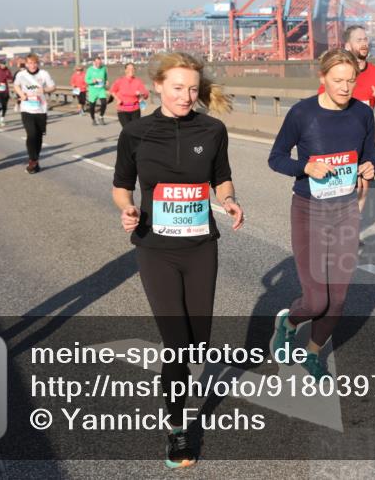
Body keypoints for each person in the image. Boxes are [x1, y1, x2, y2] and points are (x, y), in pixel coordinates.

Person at [111, 52, 243, 469]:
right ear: (158, 86)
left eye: (192, 89)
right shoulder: (136, 133)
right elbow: (120, 185)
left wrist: (228, 199)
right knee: (176, 345)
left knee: (198, 344)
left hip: (201, 246)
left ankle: (183, 382)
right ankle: (176, 429)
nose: (186, 96)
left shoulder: (213, 128)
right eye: (177, 88)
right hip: (155, 248)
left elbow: (221, 175)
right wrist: (127, 209)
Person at [268, 49, 375, 381]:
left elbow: (369, 155)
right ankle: (287, 324)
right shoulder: (303, 114)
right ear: (322, 78)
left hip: (345, 210)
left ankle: (313, 353)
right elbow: (275, 158)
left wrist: (371, 167)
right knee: (316, 301)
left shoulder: (362, 113)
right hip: (309, 210)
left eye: (350, 81)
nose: (345, 88)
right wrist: (306, 166)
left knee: (338, 300)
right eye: (338, 81)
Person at [317, 25, 375, 212]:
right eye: (359, 40)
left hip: (363, 139)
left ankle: (351, 232)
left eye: (366, 39)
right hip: (335, 138)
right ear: (348, 45)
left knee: (363, 185)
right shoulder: (338, 72)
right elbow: (321, 101)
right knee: (338, 188)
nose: (364, 43)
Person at [13, 54, 56, 174]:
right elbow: (16, 85)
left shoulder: (44, 74)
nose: (32, 65)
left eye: (34, 63)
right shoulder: (21, 75)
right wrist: (21, 95)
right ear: (26, 64)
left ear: (37, 63)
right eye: (30, 63)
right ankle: (32, 160)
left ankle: (35, 161)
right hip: (27, 108)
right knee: (31, 134)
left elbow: (53, 87)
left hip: (41, 109)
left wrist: (45, 90)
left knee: (38, 136)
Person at [111, 62, 150, 126]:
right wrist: (117, 99)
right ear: (125, 70)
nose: (131, 71)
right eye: (129, 69)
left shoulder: (138, 81)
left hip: (135, 110)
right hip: (122, 109)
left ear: (134, 70)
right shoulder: (120, 81)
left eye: (132, 69)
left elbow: (146, 94)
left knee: (135, 130)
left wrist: (142, 95)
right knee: (127, 130)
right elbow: (112, 91)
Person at [85, 55, 109, 125]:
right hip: (93, 90)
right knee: (92, 106)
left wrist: (106, 81)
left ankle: (101, 117)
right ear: (94, 62)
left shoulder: (103, 68)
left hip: (101, 89)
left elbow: (105, 77)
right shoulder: (90, 69)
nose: (98, 64)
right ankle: (93, 119)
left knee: (104, 103)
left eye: (99, 63)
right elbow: (86, 80)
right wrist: (92, 81)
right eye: (97, 63)